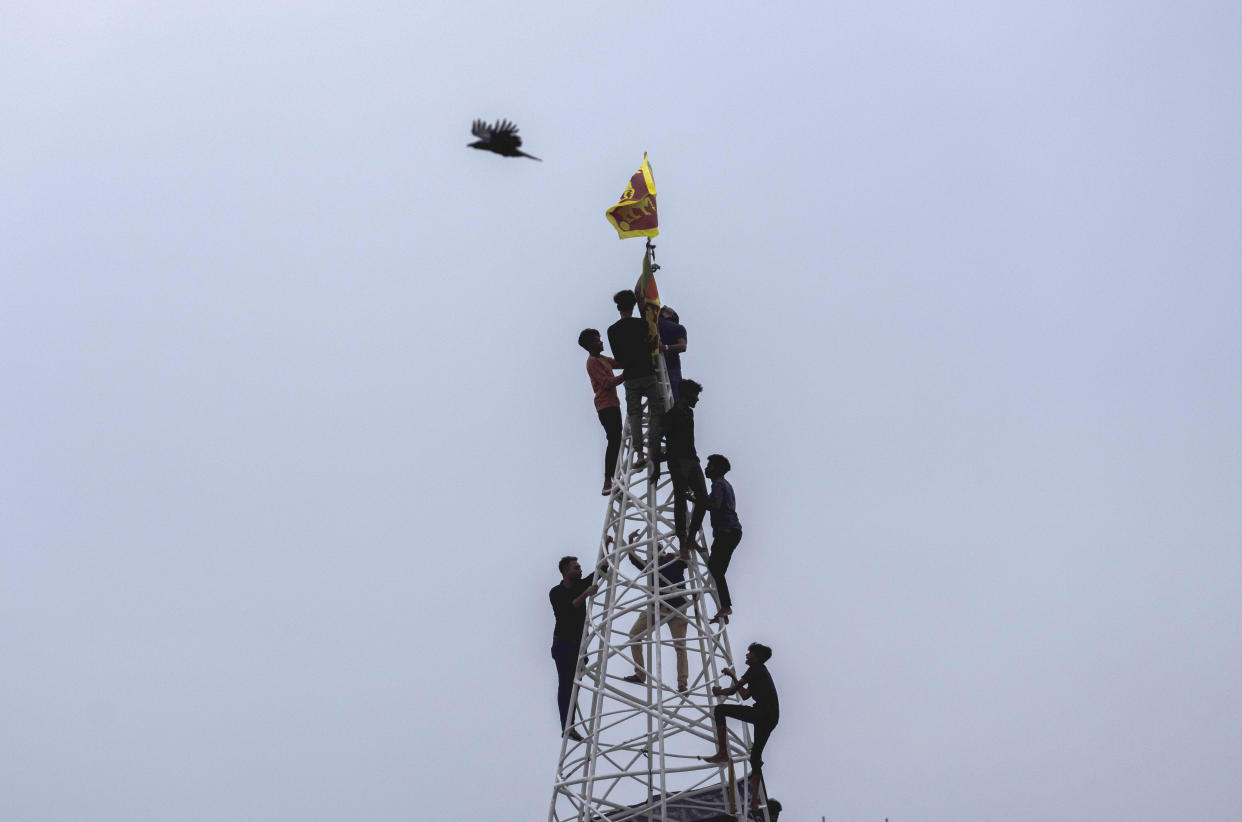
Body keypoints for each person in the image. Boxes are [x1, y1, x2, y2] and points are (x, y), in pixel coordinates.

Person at [704, 643, 780, 811]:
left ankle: (723, 753)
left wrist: (719, 691)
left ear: (757, 657)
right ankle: (754, 803)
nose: (747, 656)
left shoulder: (756, 669)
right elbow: (745, 695)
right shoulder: (760, 672)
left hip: (762, 714)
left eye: (750, 653)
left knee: (720, 710)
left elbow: (732, 693)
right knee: (755, 758)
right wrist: (732, 675)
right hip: (771, 718)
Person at [620, 531, 690, 692]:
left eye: (653, 550)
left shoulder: (673, 560)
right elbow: (633, 559)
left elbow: (687, 558)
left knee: (680, 646)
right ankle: (640, 674)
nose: (650, 554)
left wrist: (678, 553)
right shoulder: (650, 565)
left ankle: (682, 682)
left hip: (677, 606)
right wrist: (630, 541)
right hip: (656, 607)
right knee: (634, 635)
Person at [607, 289, 666, 472]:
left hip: (631, 377)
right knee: (657, 410)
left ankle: (639, 454)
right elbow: (651, 344)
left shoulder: (612, 330)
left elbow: (618, 356)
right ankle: (653, 447)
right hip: (647, 373)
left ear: (618, 307)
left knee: (635, 415)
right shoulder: (643, 324)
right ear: (633, 306)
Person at [549, 555, 601, 741]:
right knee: (566, 684)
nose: (580, 570)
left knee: (575, 685)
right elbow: (567, 610)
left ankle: (569, 725)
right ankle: (567, 726)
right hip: (563, 643)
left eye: (580, 567)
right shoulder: (555, 592)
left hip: (579, 644)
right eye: (576, 567)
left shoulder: (581, 584)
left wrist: (609, 546)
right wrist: (587, 593)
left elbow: (601, 571)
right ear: (565, 571)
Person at [662, 379, 708, 557]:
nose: (697, 399)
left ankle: (690, 539)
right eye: (695, 395)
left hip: (692, 460)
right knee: (680, 500)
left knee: (703, 498)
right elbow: (662, 437)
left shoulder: (689, 413)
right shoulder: (672, 415)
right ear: (687, 394)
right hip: (678, 461)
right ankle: (683, 541)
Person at [578, 328, 625, 495]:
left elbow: (618, 363)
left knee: (617, 438)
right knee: (614, 438)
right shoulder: (592, 361)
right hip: (605, 405)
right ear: (591, 345)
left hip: (613, 404)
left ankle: (614, 475)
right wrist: (625, 376)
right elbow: (606, 383)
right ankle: (608, 479)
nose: (602, 342)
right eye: (598, 340)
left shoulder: (602, 358)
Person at [704, 454, 742, 624]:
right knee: (718, 571)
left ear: (718, 469)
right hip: (732, 531)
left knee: (715, 568)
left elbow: (716, 506)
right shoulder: (723, 484)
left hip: (727, 531)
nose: (707, 468)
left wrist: (697, 500)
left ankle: (725, 606)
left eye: (710, 465)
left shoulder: (719, 484)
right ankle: (724, 609)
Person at [658, 305, 687, 403]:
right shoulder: (653, 322)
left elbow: (683, 346)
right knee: (672, 401)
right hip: (658, 369)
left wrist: (665, 347)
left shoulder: (678, 328)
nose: (665, 306)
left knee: (674, 400)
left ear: (672, 314)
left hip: (671, 369)